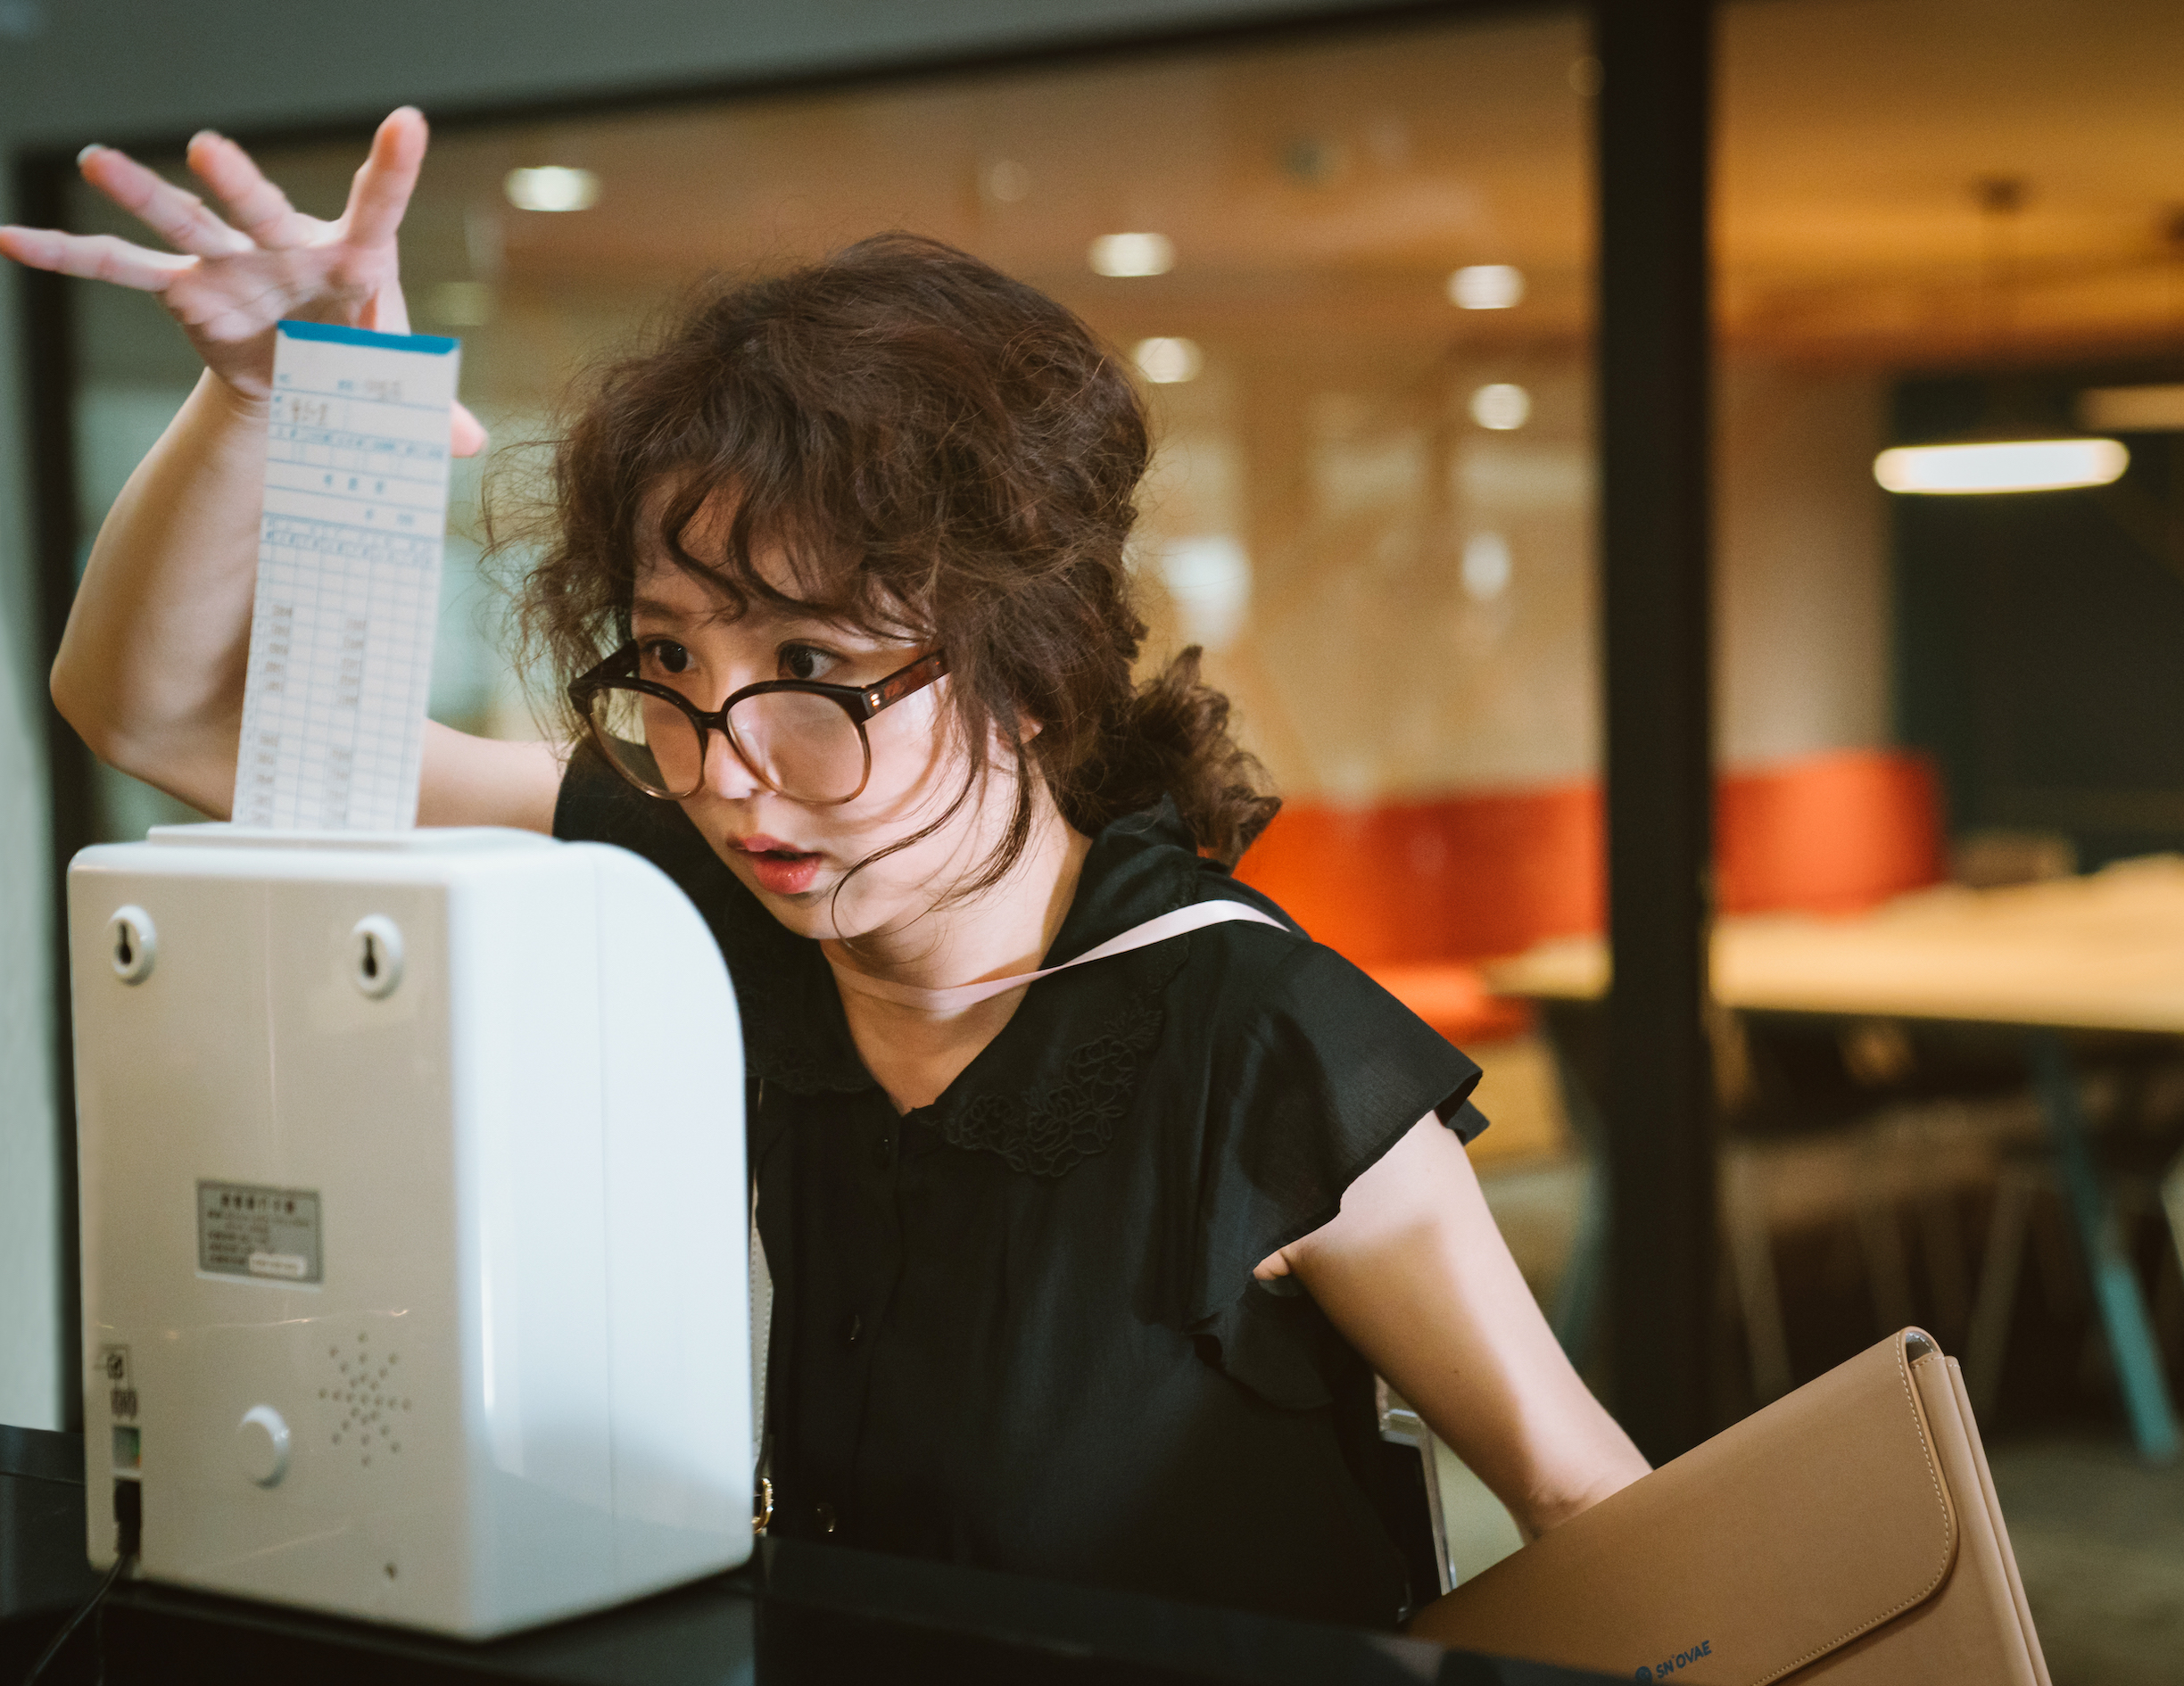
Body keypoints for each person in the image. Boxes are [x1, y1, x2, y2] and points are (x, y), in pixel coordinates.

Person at [6, 107, 1649, 1628]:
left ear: (1025, 667)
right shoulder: (721, 890)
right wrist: (257, 402)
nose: (727, 767)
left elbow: (1590, 1504)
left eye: (811, 662)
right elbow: (158, 712)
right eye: (671, 656)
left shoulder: (1256, 1040)